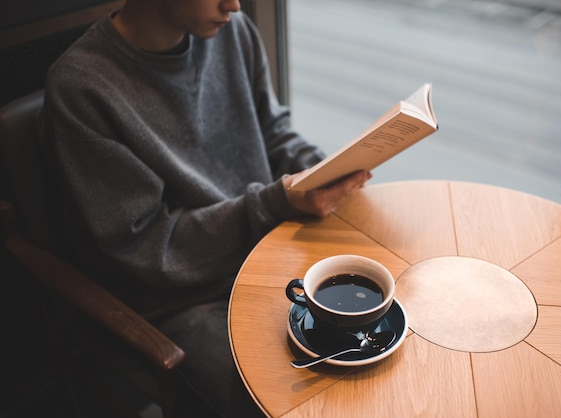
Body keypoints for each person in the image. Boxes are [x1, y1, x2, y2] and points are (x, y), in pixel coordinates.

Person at [40, 0, 371, 416]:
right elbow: (148, 248)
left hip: (261, 250)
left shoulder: (232, 31)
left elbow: (273, 131)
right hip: (178, 299)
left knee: (370, 352)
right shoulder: (82, 87)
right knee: (294, 402)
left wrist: (323, 170)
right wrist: (274, 202)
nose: (233, 4)